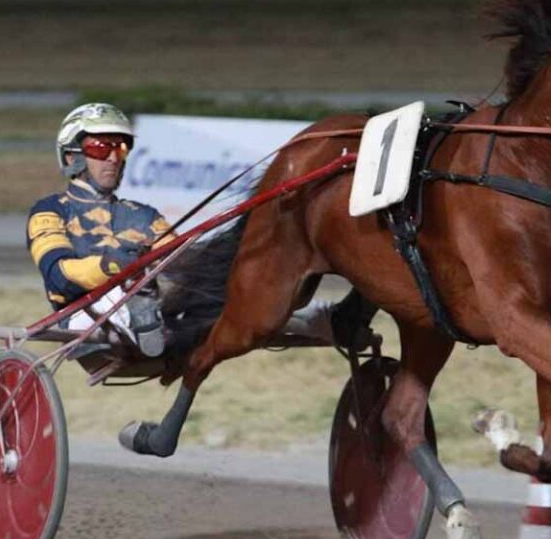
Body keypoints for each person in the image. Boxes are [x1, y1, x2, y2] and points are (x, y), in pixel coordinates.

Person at [28, 103, 377, 360]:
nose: (114, 157)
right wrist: (116, 267)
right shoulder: (50, 210)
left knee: (238, 294)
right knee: (139, 294)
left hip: (156, 304)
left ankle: (323, 319)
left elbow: (179, 263)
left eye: (121, 147)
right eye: (100, 147)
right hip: (86, 314)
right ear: (72, 154)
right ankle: (141, 312)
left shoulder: (142, 215)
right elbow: (58, 275)